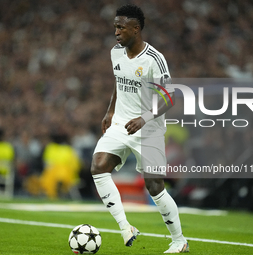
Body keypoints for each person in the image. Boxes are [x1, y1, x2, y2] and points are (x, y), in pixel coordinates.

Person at [91, 4, 189, 254]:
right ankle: (126, 227)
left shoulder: (154, 59)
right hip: (120, 123)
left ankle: (179, 240)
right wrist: (110, 110)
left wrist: (144, 119)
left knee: (155, 186)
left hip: (149, 129)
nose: (116, 31)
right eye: (115, 26)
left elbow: (169, 97)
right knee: (98, 167)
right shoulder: (116, 53)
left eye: (121, 27)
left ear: (136, 29)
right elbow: (118, 81)